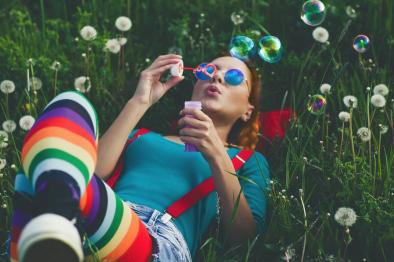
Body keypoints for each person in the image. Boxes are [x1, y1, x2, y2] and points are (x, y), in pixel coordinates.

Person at [10, 54, 270, 262]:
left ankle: (47, 230)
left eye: (234, 76)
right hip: (100, 212)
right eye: (209, 70)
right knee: (70, 102)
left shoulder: (246, 159)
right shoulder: (141, 136)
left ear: (248, 111)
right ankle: (57, 227)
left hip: (154, 241)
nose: (219, 76)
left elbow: (243, 240)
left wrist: (217, 155)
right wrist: (140, 101)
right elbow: (89, 172)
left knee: (31, 185)